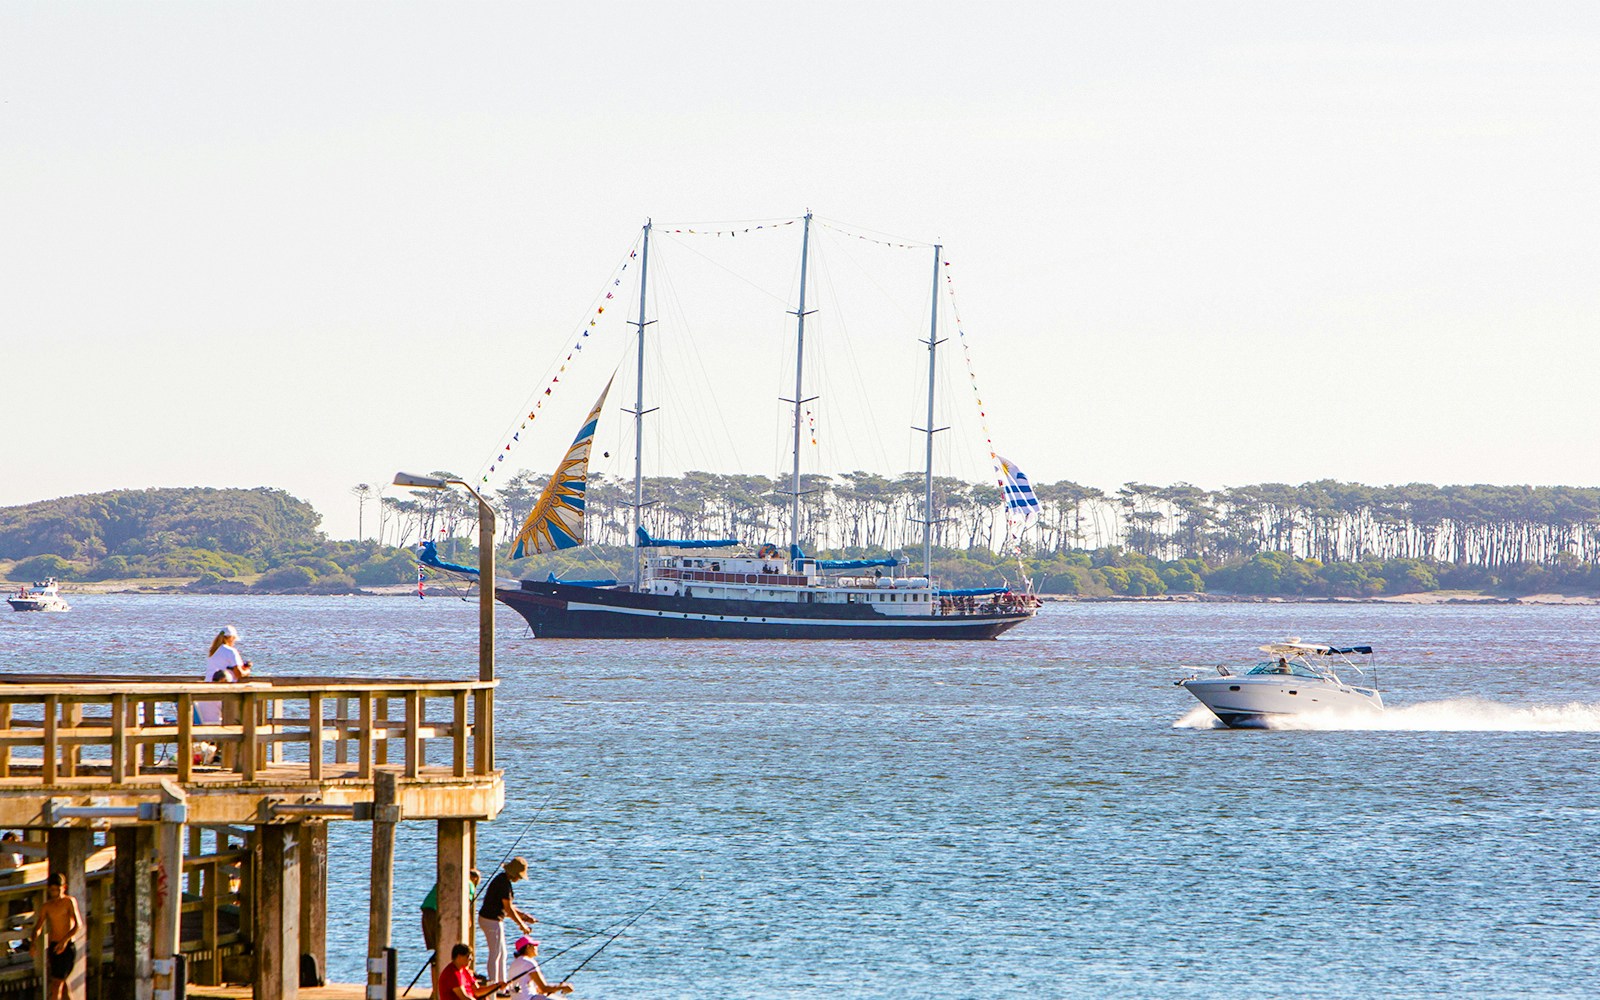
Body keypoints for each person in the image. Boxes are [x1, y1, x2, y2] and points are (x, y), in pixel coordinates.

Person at [477, 858, 537, 989]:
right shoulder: (503, 884)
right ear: (514, 873)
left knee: (502, 953)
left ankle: (502, 985)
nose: (520, 879)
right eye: (519, 876)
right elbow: (508, 909)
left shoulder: (502, 880)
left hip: (491, 919)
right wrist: (522, 925)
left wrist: (524, 916)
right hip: (491, 920)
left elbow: (508, 907)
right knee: (495, 954)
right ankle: (493, 987)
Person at [423, 868, 482, 996]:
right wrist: (468, 921)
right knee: (439, 954)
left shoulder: (453, 880)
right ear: (475, 879)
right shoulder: (469, 883)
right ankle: (437, 991)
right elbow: (465, 903)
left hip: (427, 912)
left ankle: (435, 990)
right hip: (436, 912)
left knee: (436, 953)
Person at [32, 872, 82, 1000]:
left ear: (64, 887)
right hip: (54, 947)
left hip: (67, 946)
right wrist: (33, 942)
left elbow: (78, 925)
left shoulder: (69, 901)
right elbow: (38, 926)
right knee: (62, 984)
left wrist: (65, 941)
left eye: (58, 889)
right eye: (52, 890)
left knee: (56, 984)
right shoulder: (47, 906)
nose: (55, 893)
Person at [196, 626, 252, 727]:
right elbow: (239, 674)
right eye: (234, 639)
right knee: (234, 723)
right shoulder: (231, 651)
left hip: (205, 691)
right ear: (230, 638)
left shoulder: (213, 652)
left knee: (209, 724)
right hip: (222, 692)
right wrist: (247, 671)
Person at [506, 937, 572, 997]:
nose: (537, 947)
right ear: (528, 946)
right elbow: (544, 988)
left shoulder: (515, 963)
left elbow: (526, 985)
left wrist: (556, 988)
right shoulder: (529, 962)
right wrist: (563, 987)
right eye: (535, 945)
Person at [437, 943, 505, 1000]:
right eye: (468, 957)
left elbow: (477, 991)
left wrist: (497, 986)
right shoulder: (451, 974)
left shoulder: (465, 970)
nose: (471, 959)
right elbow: (464, 997)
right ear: (459, 957)